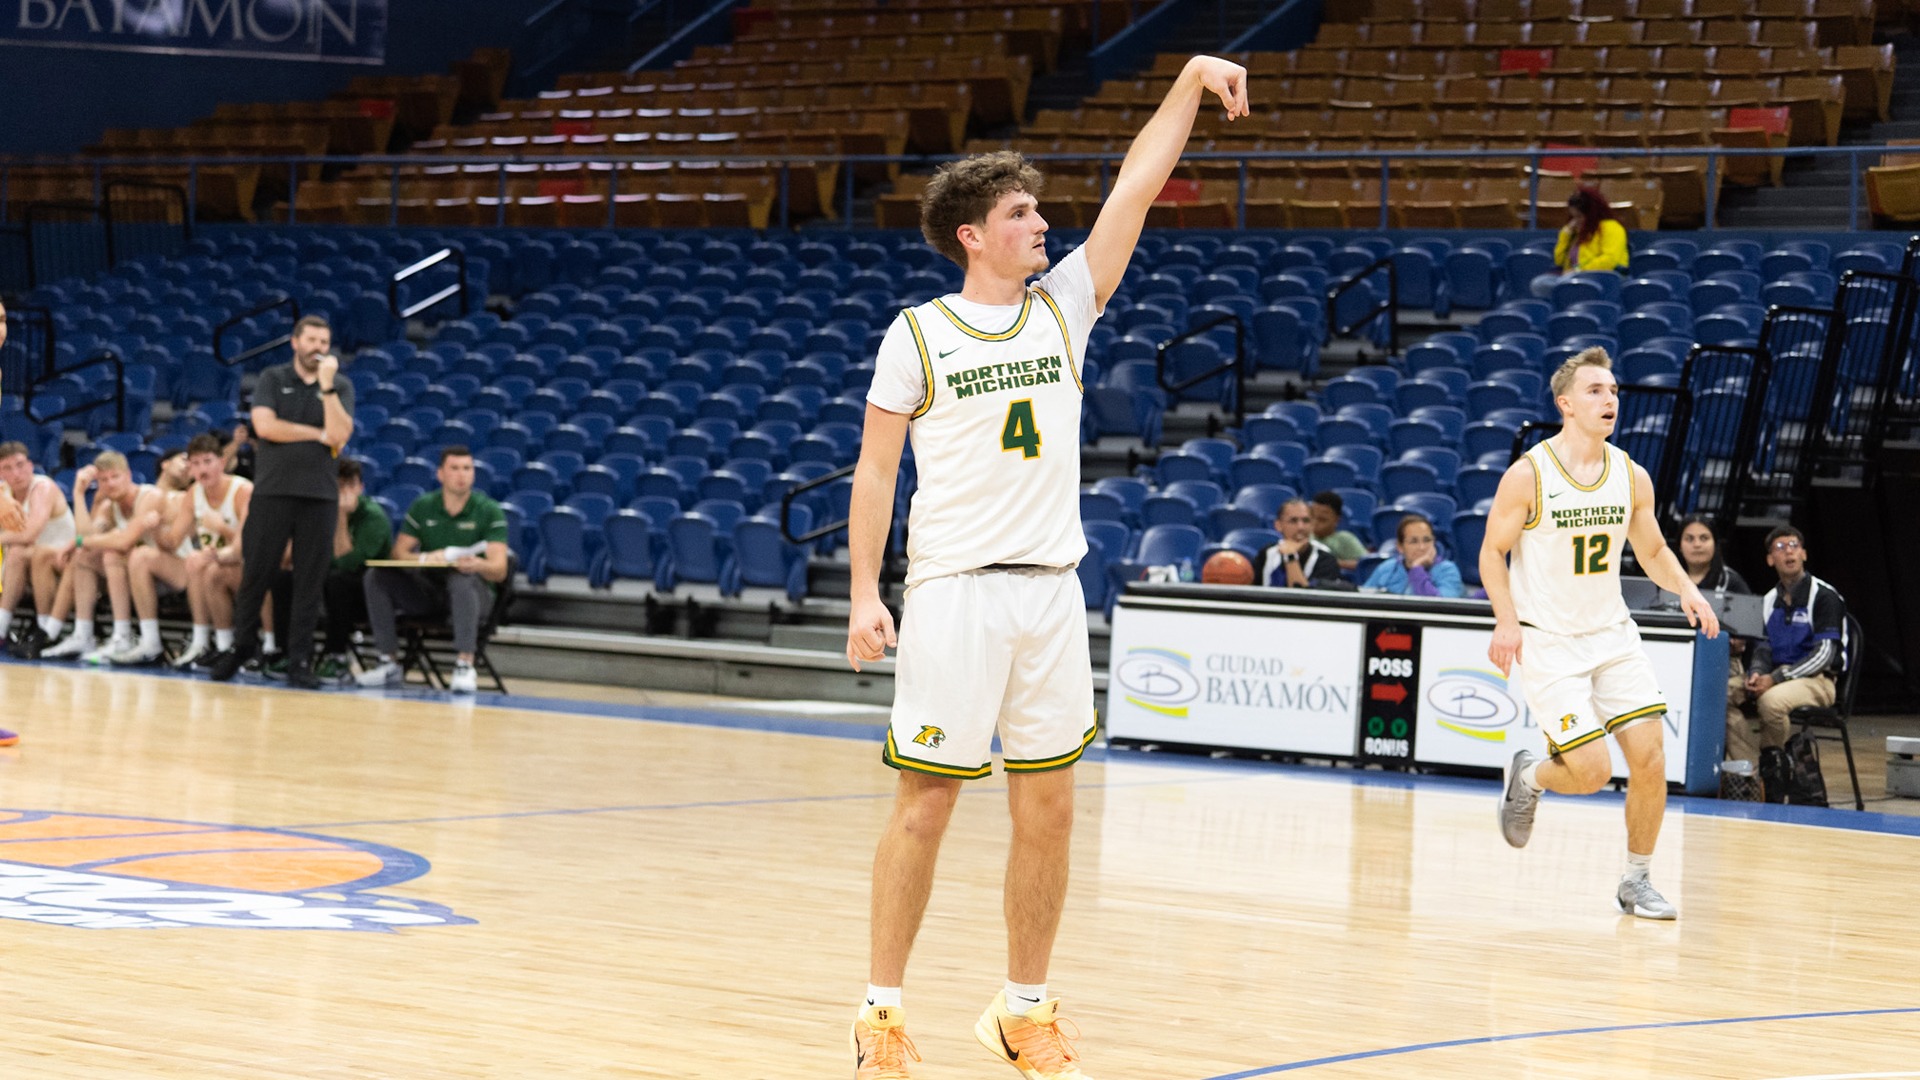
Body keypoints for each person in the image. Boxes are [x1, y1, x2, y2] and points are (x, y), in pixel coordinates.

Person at [843, 54, 1249, 1080]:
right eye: (1022, 213)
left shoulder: (1064, 305)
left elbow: (1136, 185)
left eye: (1039, 211)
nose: (1042, 225)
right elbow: (876, 471)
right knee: (926, 807)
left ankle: (1022, 1009)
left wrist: (1192, 79)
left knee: (1052, 807)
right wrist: (862, 594)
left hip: (1050, 594)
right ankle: (881, 1015)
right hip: (955, 594)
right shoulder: (919, 334)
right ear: (973, 235)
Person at [1483, 347, 1719, 920]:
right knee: (1589, 774)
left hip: (1612, 635)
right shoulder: (1529, 474)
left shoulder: (1630, 474)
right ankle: (1531, 773)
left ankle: (1637, 880)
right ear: (1565, 404)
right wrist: (1506, 619)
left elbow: (1655, 549)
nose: (1609, 399)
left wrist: (1687, 589)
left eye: (1612, 390)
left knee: (1651, 756)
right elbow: (1492, 551)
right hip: (1550, 641)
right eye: (1594, 391)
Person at [209, 315, 354, 688]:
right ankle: (242, 647)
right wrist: (317, 433)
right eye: (311, 340)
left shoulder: (339, 385)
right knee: (255, 574)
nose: (318, 348)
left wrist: (327, 391)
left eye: (324, 342)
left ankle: (299, 660)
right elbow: (265, 427)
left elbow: (340, 434)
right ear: (295, 342)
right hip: (272, 492)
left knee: (309, 581)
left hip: (319, 496)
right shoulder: (273, 379)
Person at [357, 447, 506, 694]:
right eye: (455, 468)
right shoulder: (424, 506)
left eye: (467, 468)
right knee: (377, 576)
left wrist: (477, 564)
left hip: (474, 595)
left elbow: (499, 569)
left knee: (462, 578)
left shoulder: (489, 510)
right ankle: (388, 661)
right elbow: (398, 554)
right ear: (440, 474)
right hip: (431, 592)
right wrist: (426, 558)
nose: (462, 474)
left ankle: (464, 664)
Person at [1724, 525, 1847, 769]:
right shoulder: (1769, 600)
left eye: (1794, 546)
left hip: (1819, 681)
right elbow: (1763, 648)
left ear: (1804, 554)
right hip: (1775, 677)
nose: (1788, 552)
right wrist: (1757, 672)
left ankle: (1775, 771)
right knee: (1718, 694)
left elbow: (1824, 654)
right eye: (1780, 548)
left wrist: (1777, 678)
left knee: (1771, 702)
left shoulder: (1824, 596)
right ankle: (1753, 768)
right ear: (1770, 559)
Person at [38, 453, 162, 662]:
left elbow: (124, 542)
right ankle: (83, 634)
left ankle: (124, 636)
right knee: (82, 557)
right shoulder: (108, 506)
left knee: (112, 554)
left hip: (167, 570)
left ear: (128, 475)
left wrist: (78, 542)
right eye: (103, 480)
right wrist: (78, 493)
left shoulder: (150, 497)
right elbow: (86, 538)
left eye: (115, 476)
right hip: (134, 572)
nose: (110, 483)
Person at [277, 458, 389, 684]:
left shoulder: (373, 517)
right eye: (338, 486)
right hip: (326, 586)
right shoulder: (318, 513)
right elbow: (296, 558)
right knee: (283, 579)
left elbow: (347, 562)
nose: (344, 492)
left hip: (369, 595)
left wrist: (340, 517)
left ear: (361, 487)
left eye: (350, 485)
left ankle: (337, 656)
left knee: (338, 581)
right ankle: (290, 653)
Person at [173, 433, 256, 669]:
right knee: (195, 561)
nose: (202, 469)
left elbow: (248, 545)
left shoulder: (242, 490)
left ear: (221, 462)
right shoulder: (193, 493)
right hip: (214, 563)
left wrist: (221, 528)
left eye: (207, 462)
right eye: (196, 463)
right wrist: (154, 525)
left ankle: (226, 644)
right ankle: (206, 643)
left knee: (208, 567)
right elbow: (173, 539)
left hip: (245, 566)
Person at [111, 446, 199, 665]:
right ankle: (118, 636)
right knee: (108, 556)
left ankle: (148, 641)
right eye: (184, 459)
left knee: (140, 555)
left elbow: (171, 542)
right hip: (144, 569)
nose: (189, 465)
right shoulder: (140, 494)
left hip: (183, 567)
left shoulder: (188, 497)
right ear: (165, 463)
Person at [0, 440, 77, 658]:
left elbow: (29, 535)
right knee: (15, 554)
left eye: (20, 464)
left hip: (62, 559)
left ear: (31, 465)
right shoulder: (3, 493)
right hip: (28, 562)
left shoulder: (43, 488)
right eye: (7, 468)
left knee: (18, 552)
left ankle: (43, 632)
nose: (16, 473)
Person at [1530, 187, 1629, 297]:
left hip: (1602, 277)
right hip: (1572, 276)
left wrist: (1579, 270)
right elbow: (1559, 261)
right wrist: (1566, 234)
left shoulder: (1612, 228)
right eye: (1573, 217)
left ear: (1591, 214)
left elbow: (1610, 260)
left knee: (1565, 284)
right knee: (1539, 284)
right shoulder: (1576, 231)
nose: (1575, 221)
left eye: (1579, 217)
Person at [1363, 514, 1464, 597]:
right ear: (1400, 547)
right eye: (1413, 541)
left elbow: (1440, 608)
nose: (1422, 547)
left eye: (1427, 540)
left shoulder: (1447, 570)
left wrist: (1417, 569)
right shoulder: (1387, 568)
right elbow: (1363, 598)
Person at [1258, 498, 1344, 589]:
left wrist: (1290, 556)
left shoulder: (1325, 559)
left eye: (1306, 521)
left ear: (1312, 525)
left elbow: (1304, 599)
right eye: (1293, 521)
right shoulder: (1267, 554)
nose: (1300, 527)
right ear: (1278, 525)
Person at [1675, 513, 1749, 596]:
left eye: (1704, 538)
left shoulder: (1731, 582)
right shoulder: (1666, 578)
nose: (1697, 544)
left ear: (1715, 544)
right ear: (1679, 546)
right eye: (1689, 539)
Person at [1309, 490, 1368, 571]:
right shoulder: (1305, 536)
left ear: (1336, 520)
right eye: (1312, 517)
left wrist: (1333, 563)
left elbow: (1365, 563)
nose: (1315, 523)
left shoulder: (1345, 539)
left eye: (1322, 520)